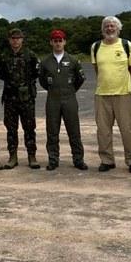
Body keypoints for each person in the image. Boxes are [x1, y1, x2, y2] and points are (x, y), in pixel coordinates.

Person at [91, 16, 131, 174]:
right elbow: (97, 69)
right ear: (102, 29)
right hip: (102, 94)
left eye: (113, 26)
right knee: (103, 131)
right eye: (106, 26)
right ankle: (107, 160)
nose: (109, 28)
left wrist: (125, 83)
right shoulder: (95, 47)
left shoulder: (126, 45)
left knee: (128, 130)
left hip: (123, 94)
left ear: (118, 29)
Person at [38, 29, 87, 171]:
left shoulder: (73, 60)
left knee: (74, 131)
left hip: (69, 98)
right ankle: (53, 160)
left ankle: (78, 159)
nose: (58, 43)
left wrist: (70, 90)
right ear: (51, 42)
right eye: (55, 41)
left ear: (65, 42)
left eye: (60, 41)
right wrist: (53, 90)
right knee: (52, 131)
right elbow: (42, 81)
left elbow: (80, 79)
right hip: (53, 99)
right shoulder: (45, 62)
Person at [0, 27, 40, 169]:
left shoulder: (30, 55)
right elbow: (0, 74)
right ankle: (12, 156)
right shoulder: (4, 56)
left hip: (26, 98)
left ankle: (32, 156)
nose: (15, 41)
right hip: (10, 98)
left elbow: (36, 72)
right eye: (13, 38)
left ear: (22, 39)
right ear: (9, 40)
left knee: (29, 128)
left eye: (18, 38)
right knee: (11, 129)